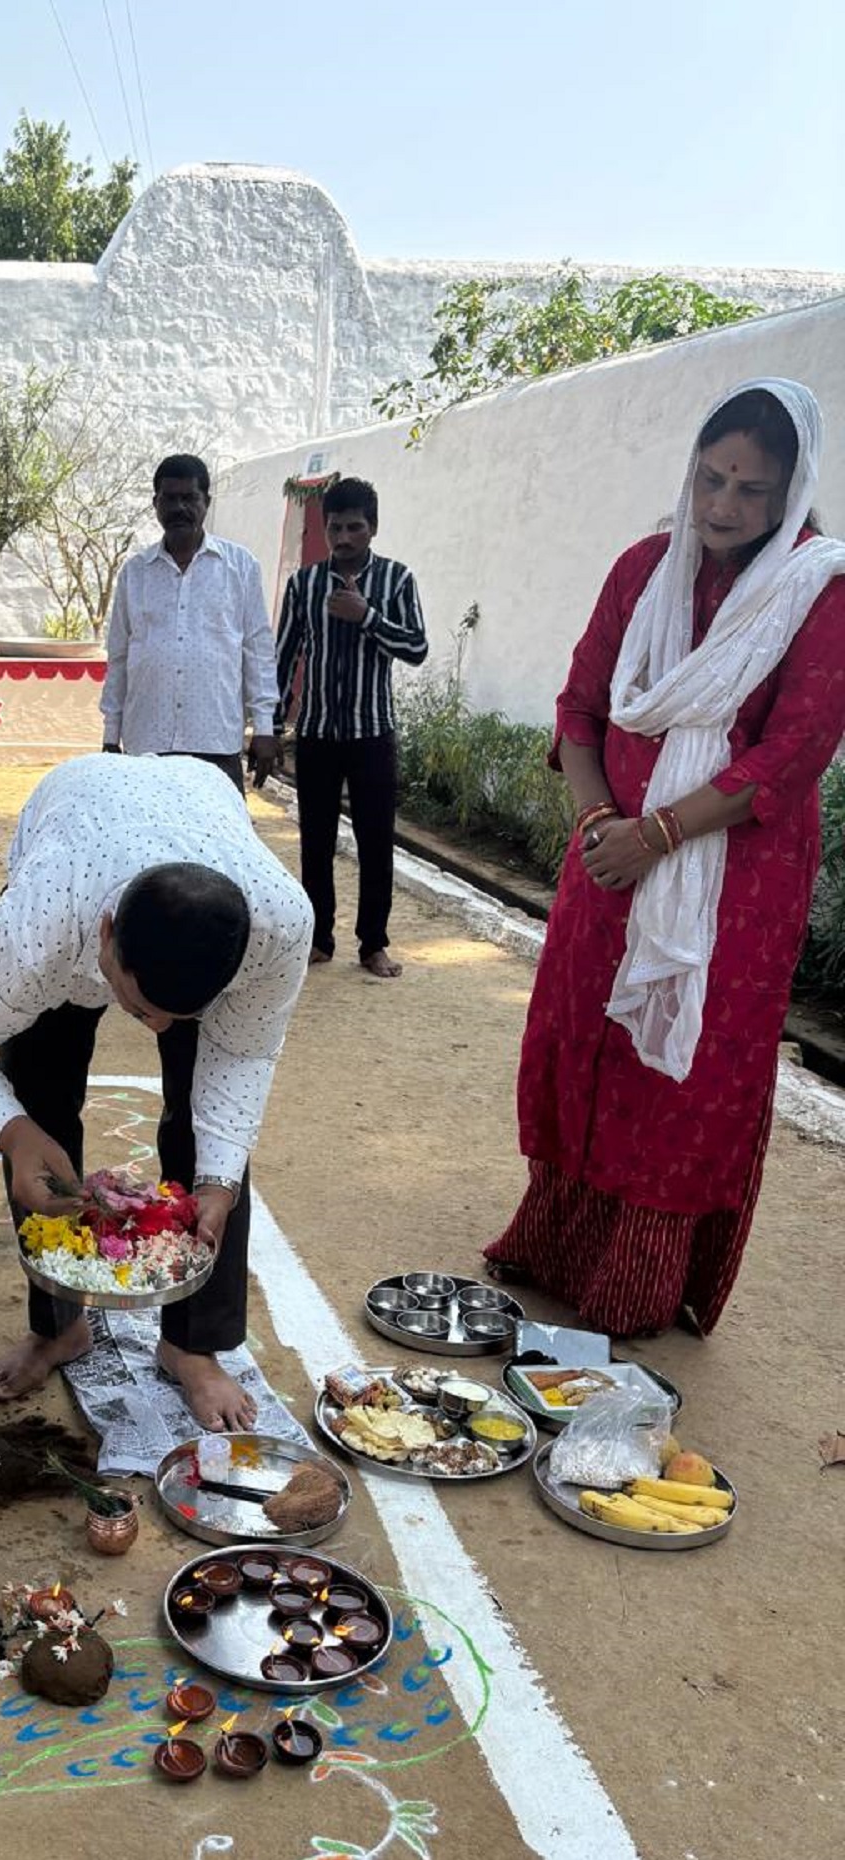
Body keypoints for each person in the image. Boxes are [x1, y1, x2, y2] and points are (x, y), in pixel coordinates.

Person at [487, 379, 845, 1338]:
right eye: (711, 477)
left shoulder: (819, 591)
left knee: (684, 1069)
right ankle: (554, 1241)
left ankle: (637, 1281)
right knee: (581, 1037)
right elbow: (580, 707)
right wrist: (601, 818)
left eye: (751, 490)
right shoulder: (645, 567)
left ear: (791, 493)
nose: (723, 505)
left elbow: (794, 753)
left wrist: (661, 834)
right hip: (607, 855)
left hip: (729, 884)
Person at [0, 752, 314, 1429]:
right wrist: (15, 1130)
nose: (153, 1027)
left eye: (172, 1018)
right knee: (37, 1091)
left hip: (199, 804)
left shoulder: (278, 927)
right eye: (139, 1004)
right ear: (106, 939)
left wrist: (219, 1176)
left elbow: (243, 1051)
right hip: (75, 812)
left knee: (209, 1135)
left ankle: (193, 1346)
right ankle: (59, 1327)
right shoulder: (38, 926)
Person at [274, 476, 428, 978]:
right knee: (315, 841)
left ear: (373, 528)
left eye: (355, 527)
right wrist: (274, 725)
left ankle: (373, 944)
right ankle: (318, 938)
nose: (344, 537)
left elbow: (417, 648)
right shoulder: (305, 584)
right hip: (317, 734)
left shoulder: (397, 580)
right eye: (336, 527)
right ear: (325, 527)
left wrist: (366, 617)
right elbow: (284, 655)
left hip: (372, 736)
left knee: (376, 841)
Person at [101, 454, 281, 791]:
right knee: (146, 840)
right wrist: (111, 735)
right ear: (155, 503)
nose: (179, 508)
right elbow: (120, 657)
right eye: (170, 498)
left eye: (190, 498)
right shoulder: (135, 573)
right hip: (146, 744)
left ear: (206, 503)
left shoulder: (240, 567)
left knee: (216, 842)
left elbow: (257, 650)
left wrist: (265, 728)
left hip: (214, 741)